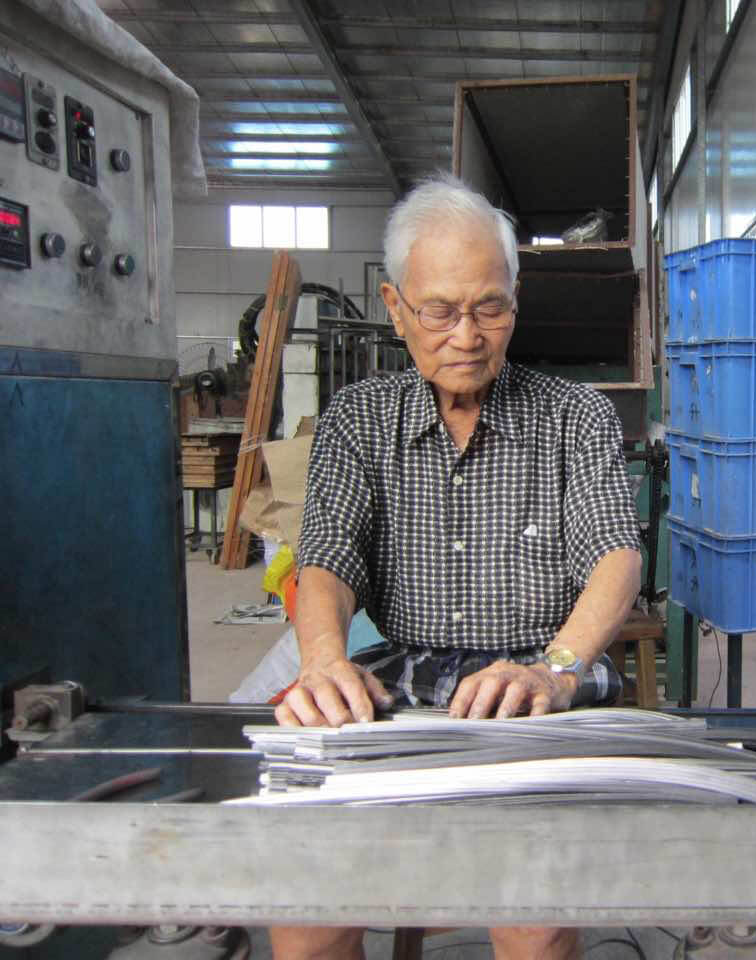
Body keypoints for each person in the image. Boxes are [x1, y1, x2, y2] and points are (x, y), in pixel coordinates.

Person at [270, 174, 644, 960]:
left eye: (490, 308)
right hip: (404, 677)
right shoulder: (356, 420)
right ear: (396, 305)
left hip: (540, 682)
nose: (466, 336)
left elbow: (616, 552)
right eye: (439, 310)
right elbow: (328, 553)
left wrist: (557, 668)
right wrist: (324, 658)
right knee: (307, 913)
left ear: (516, 298)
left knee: (533, 924)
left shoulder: (577, 417)